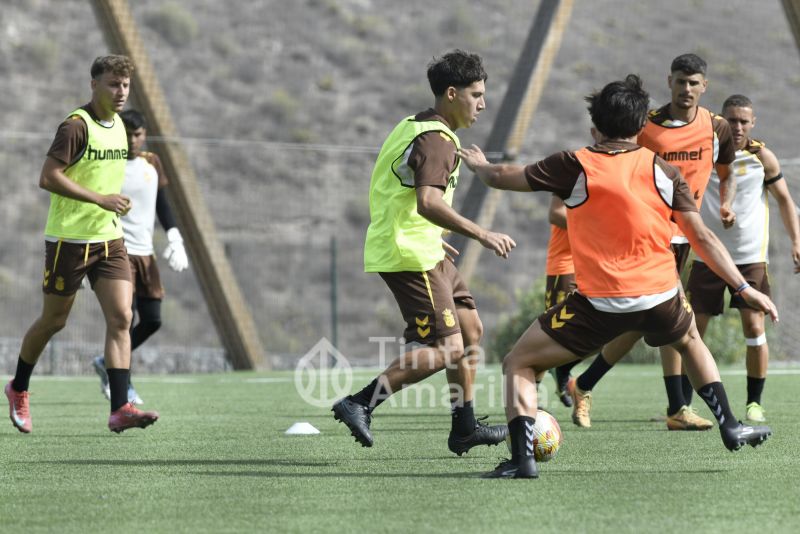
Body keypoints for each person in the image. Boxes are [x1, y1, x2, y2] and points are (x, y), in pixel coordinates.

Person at [458, 74, 774, 479]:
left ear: (595, 126)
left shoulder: (574, 165)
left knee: (518, 362)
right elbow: (704, 237)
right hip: (660, 296)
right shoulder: (662, 170)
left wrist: (480, 167)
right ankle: (730, 424)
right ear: (642, 127)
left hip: (599, 304)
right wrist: (744, 287)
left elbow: (503, 176)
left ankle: (523, 460)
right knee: (690, 339)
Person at [331, 49, 516, 455]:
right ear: (451, 93)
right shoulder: (437, 140)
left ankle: (464, 427)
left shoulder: (415, 125)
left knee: (470, 329)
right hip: (410, 254)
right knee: (446, 349)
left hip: (426, 247)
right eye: (476, 94)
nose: (482, 104)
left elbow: (401, 195)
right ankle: (360, 402)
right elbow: (428, 202)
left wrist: (432, 233)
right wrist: (481, 233)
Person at [567, 53, 737, 431]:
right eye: (680, 81)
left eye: (694, 83)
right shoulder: (646, 126)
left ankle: (586, 383)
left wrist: (726, 202)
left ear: (704, 86)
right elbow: (612, 162)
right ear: (669, 81)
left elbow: (726, 174)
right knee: (674, 321)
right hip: (651, 236)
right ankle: (678, 407)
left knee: (646, 321)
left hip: (685, 236)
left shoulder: (717, 128)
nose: (686, 88)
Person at [4, 55, 159, 434]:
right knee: (54, 321)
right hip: (69, 240)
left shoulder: (120, 127)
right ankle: (18, 387)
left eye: (125, 85)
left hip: (109, 238)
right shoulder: (76, 126)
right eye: (113, 84)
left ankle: (120, 407)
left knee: (122, 318)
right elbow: (48, 177)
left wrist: (115, 204)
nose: (120, 92)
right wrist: (100, 199)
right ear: (94, 85)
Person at [687, 94, 800, 422]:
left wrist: (796, 241)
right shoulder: (704, 152)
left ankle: (754, 403)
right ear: (720, 120)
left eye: (743, 121)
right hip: (707, 256)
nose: (736, 126)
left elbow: (784, 200)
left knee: (754, 327)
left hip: (751, 258)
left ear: (752, 123)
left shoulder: (762, 157)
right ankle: (683, 405)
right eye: (731, 120)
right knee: (692, 331)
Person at [91, 109, 190, 405]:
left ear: (145, 135)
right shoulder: (109, 164)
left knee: (153, 319)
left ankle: (105, 362)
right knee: (124, 320)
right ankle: (124, 383)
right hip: (118, 253)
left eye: (137, 134)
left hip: (146, 255)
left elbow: (162, 204)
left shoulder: (152, 162)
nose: (132, 140)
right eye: (127, 134)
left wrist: (175, 237)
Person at [544, 196, 579, 407]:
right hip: (565, 267)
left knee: (604, 329)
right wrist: (595, 225)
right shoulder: (571, 176)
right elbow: (555, 213)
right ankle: (530, 396)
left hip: (592, 266)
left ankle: (562, 369)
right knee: (553, 333)